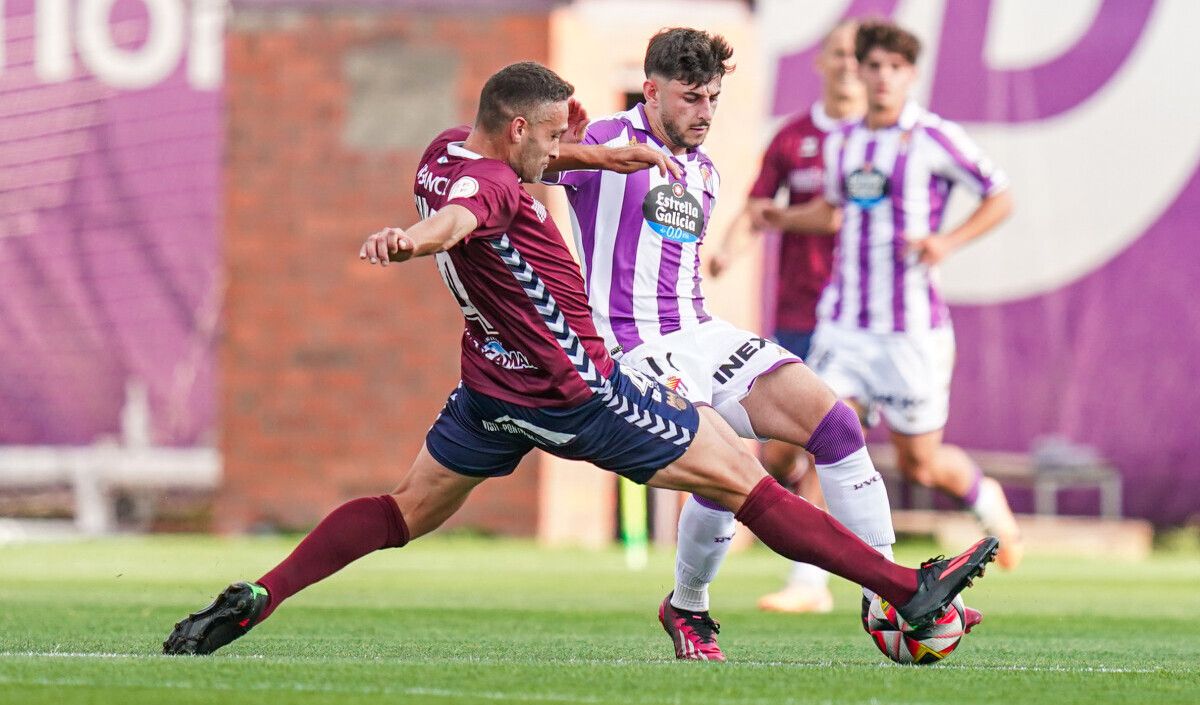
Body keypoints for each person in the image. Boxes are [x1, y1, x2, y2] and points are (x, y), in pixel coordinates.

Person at [162, 61, 998, 657]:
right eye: (558, 134)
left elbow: (502, 177)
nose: (567, 146)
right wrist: (407, 243)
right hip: (580, 393)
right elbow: (458, 220)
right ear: (518, 128)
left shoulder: (450, 150)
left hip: (489, 389)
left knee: (402, 511)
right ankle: (902, 589)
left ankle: (261, 596)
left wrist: (601, 156)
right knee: (747, 479)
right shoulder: (486, 191)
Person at [545, 28, 903, 662]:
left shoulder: (703, 168)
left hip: (700, 332)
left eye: (713, 98)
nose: (705, 113)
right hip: (629, 344)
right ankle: (690, 603)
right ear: (651, 91)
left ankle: (891, 593)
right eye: (691, 98)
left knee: (837, 427)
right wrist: (570, 154)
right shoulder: (602, 138)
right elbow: (522, 165)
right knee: (724, 460)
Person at [765, 20, 1023, 574]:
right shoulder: (842, 142)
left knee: (921, 464)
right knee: (820, 436)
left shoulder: (934, 137)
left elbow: (1000, 195)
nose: (882, 77)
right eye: (873, 66)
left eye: (895, 68)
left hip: (910, 332)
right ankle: (807, 579)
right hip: (843, 326)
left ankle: (986, 498)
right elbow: (832, 210)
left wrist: (947, 241)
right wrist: (782, 216)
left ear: (911, 75)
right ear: (857, 70)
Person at [706, 20, 865, 615]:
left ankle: (811, 584)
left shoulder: (877, 142)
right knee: (776, 452)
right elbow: (755, 208)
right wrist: (728, 248)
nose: (850, 66)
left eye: (860, 57)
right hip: (796, 312)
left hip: (855, 321)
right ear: (821, 61)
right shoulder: (792, 138)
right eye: (840, 55)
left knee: (832, 432)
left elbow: (834, 219)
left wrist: (780, 219)